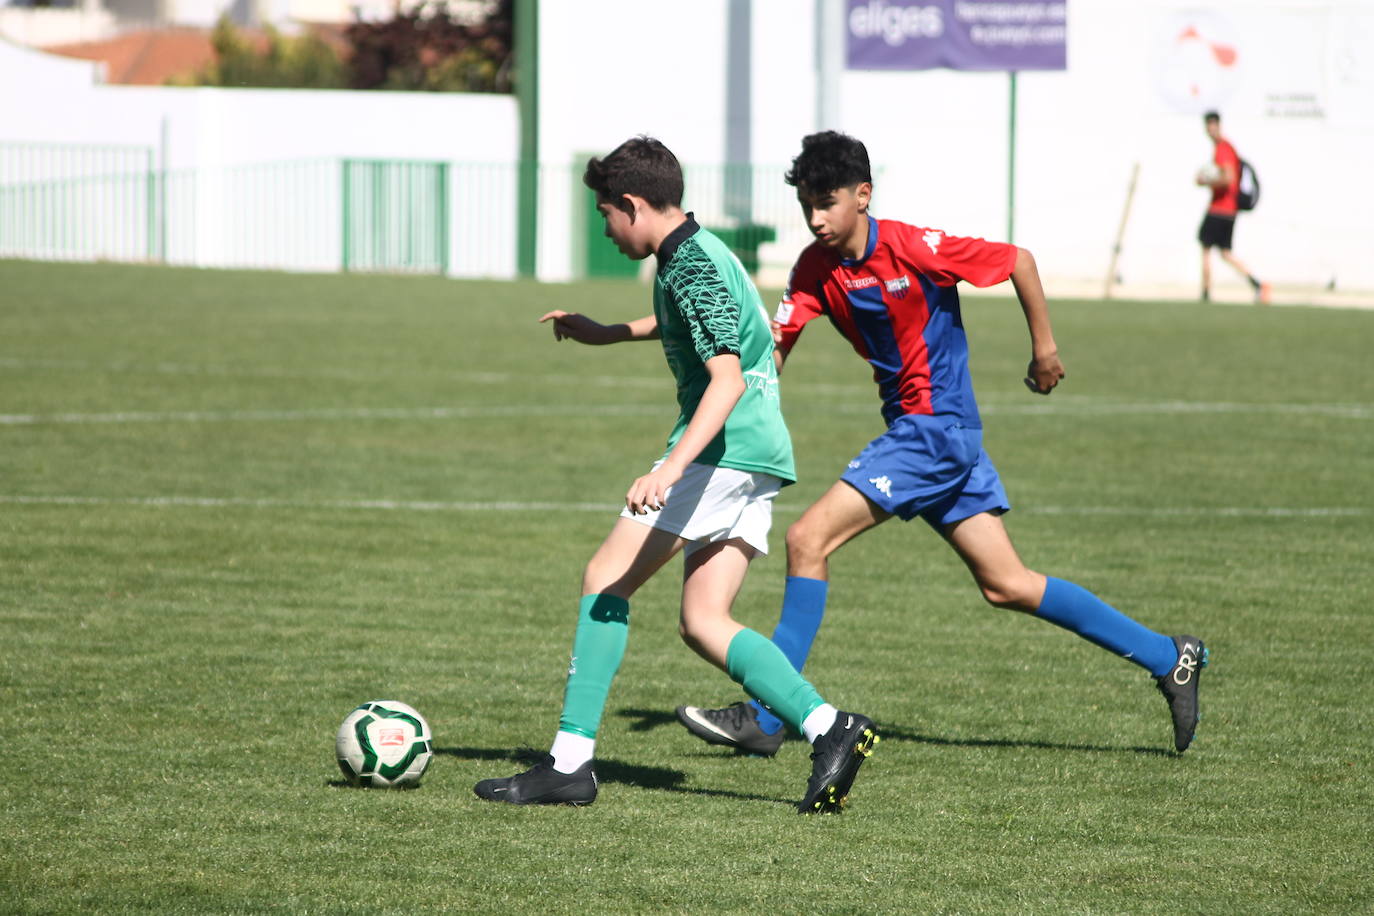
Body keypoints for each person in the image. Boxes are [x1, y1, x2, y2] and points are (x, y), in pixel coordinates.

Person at [676, 130, 1208, 758]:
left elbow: (1019, 261)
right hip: (932, 436)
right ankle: (1169, 657)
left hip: (933, 431)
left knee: (806, 540)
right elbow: (774, 348)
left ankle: (769, 716)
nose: (816, 218)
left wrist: (1045, 349)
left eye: (828, 201)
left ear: (863, 195)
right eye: (806, 205)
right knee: (1006, 583)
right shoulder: (815, 269)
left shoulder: (913, 247)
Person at [472, 136, 877, 814]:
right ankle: (830, 728)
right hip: (759, 455)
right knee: (703, 619)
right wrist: (607, 332)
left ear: (632, 204)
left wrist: (671, 465)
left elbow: (723, 378)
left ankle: (569, 765)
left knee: (605, 578)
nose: (605, 228)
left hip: (725, 449)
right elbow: (703, 330)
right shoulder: (695, 252)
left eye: (606, 214)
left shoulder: (688, 266)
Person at [1197, 110, 1269, 304]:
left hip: (1219, 208)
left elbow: (1228, 178)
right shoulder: (1226, 148)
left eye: (1214, 125)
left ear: (1218, 126)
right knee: (1225, 253)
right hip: (1229, 210)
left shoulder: (1223, 148)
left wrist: (1206, 180)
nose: (1211, 129)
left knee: (1205, 248)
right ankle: (1257, 284)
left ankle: (1205, 293)